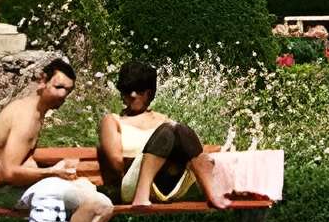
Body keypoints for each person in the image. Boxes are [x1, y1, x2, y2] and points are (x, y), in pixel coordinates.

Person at [0, 56, 114, 222]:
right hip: (10, 193)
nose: (62, 96)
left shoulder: (33, 111)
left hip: (22, 187)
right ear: (42, 81)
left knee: (104, 206)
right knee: (93, 203)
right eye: (58, 87)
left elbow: (21, 160)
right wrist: (53, 171)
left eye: (67, 91)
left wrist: (54, 172)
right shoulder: (26, 118)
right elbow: (6, 173)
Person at [98, 60, 231, 211]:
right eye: (128, 90)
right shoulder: (113, 120)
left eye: (139, 90)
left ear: (149, 92)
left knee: (181, 129)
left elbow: (189, 150)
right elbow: (117, 164)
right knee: (170, 130)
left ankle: (211, 194)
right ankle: (142, 194)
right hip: (132, 185)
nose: (133, 95)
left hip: (168, 184)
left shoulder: (165, 120)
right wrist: (151, 156)